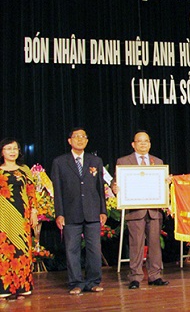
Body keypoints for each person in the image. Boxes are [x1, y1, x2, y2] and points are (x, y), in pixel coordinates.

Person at [51, 128, 107, 294]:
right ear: (70, 141)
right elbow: (58, 191)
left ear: (87, 141)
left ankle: (93, 282)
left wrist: (103, 210)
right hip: (70, 213)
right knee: (72, 250)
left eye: (83, 137)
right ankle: (75, 283)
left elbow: (100, 188)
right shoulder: (60, 162)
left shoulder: (95, 161)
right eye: (76, 137)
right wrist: (59, 213)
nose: (80, 139)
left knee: (94, 250)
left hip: (92, 212)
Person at [115, 130, 169, 289]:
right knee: (136, 245)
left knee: (154, 245)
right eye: (140, 141)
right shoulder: (124, 161)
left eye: (146, 141)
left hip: (154, 211)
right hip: (135, 210)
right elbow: (116, 182)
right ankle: (136, 277)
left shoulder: (158, 162)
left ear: (150, 144)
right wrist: (115, 188)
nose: (143, 144)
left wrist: (167, 182)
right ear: (133, 144)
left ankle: (155, 275)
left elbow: (162, 184)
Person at [0, 138, 38, 300]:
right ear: (2, 152)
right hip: (2, 217)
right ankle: (5, 288)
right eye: (8, 149)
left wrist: (34, 211)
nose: (12, 151)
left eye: (15, 148)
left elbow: (31, 192)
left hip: (22, 216)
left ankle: (23, 286)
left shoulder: (24, 170)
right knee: (4, 251)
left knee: (22, 250)